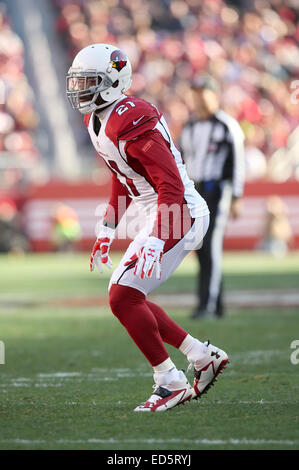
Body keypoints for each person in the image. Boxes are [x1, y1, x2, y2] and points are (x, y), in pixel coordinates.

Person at [66, 44, 229, 412]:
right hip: (158, 210)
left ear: (113, 81)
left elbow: (170, 183)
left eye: (88, 81)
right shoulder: (97, 118)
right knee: (127, 294)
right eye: (77, 81)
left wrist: (157, 239)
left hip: (178, 212)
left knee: (123, 295)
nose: (80, 90)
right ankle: (201, 356)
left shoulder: (131, 116)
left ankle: (170, 381)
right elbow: (120, 176)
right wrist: (108, 228)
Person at [180, 76, 245, 319]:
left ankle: (207, 305)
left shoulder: (227, 125)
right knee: (200, 247)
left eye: (202, 93)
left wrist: (237, 195)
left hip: (218, 189)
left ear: (214, 96)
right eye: (195, 94)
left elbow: (238, 163)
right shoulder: (190, 126)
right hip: (195, 190)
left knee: (211, 244)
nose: (198, 99)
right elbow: (184, 160)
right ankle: (214, 304)